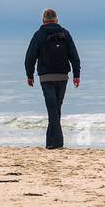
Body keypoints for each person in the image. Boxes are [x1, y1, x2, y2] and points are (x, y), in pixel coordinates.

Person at [24, 8, 81, 149]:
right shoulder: (65, 34)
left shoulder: (38, 35)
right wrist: (76, 75)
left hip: (46, 77)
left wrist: (29, 75)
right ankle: (51, 143)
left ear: (43, 20)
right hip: (62, 76)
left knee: (52, 110)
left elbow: (30, 57)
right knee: (56, 109)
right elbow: (74, 55)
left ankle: (57, 143)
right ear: (56, 19)